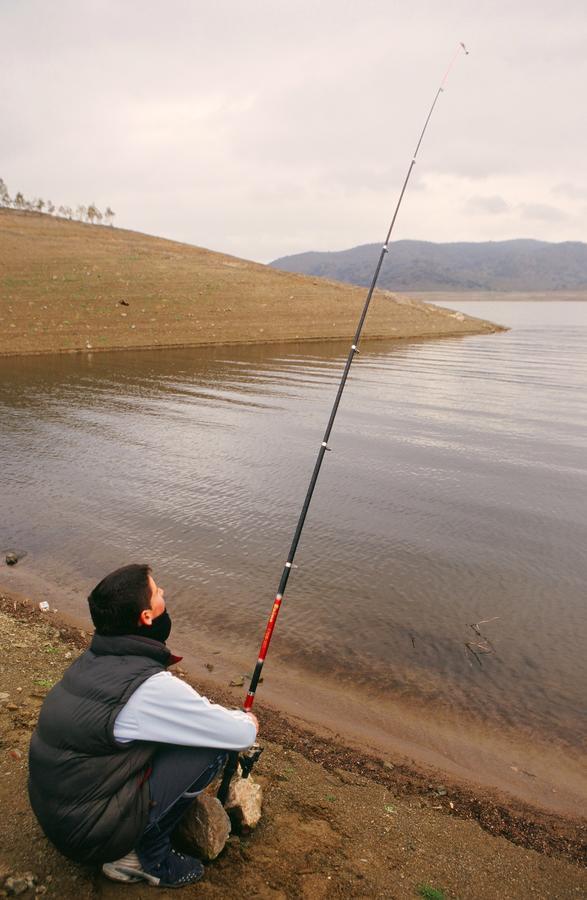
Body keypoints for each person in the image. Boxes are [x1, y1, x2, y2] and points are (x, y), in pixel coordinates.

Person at [28, 564, 258, 889]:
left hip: (59, 814)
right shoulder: (147, 687)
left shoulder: (93, 661)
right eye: (157, 591)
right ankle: (143, 857)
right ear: (147, 617)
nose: (164, 593)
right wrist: (247, 720)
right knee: (213, 747)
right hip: (90, 836)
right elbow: (240, 734)